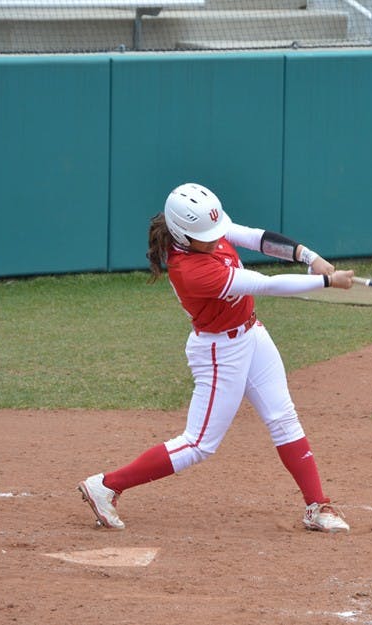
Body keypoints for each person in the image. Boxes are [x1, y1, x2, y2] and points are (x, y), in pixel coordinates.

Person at [78, 182, 354, 533]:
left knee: (283, 417)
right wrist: (327, 283)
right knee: (198, 444)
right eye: (207, 235)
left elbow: (256, 238)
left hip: (252, 334)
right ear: (183, 234)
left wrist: (309, 257)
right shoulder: (192, 271)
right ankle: (107, 485)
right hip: (219, 351)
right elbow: (264, 285)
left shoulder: (205, 230)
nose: (216, 238)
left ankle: (317, 506)